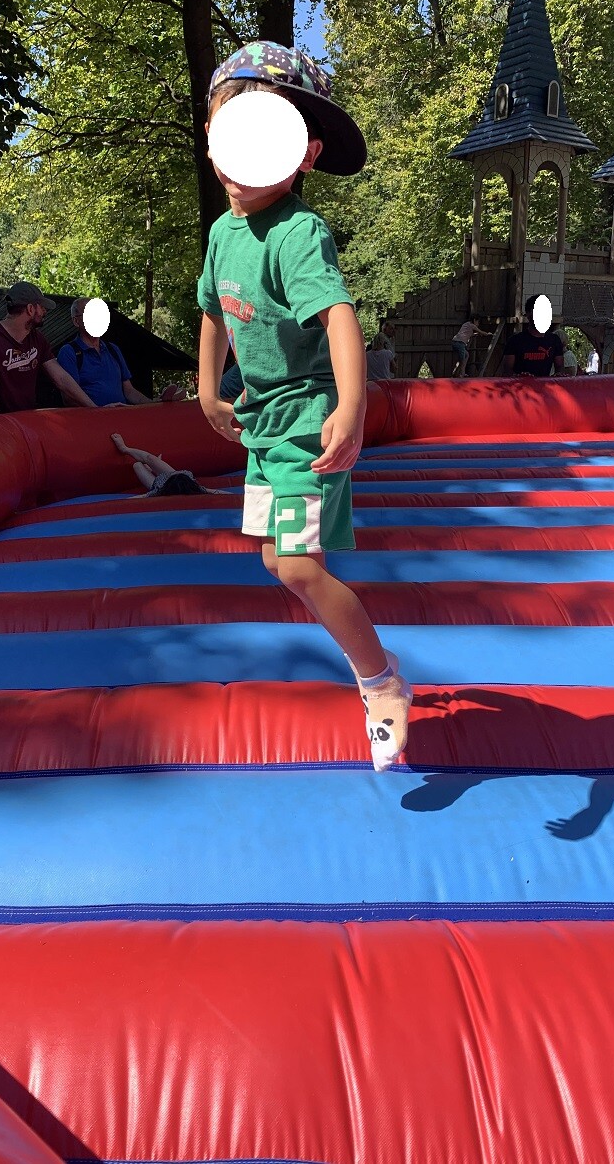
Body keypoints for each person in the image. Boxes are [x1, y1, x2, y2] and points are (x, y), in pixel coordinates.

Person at [196, 40, 412, 772]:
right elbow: (214, 313)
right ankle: (377, 672)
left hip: (302, 424)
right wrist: (208, 387)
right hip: (262, 423)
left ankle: (381, 683)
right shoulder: (222, 233)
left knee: (294, 566)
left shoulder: (297, 232)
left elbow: (337, 314)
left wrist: (352, 405)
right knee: (275, 557)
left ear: (304, 154)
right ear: (213, 137)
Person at [0, 282, 98, 414]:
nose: (45, 311)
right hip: (0, 420)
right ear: (30, 309)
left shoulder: (38, 339)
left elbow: (61, 378)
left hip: (27, 420)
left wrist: (95, 408)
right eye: (42, 307)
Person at [56, 297, 185, 407]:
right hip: (89, 423)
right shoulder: (69, 352)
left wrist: (154, 404)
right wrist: (99, 410)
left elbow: (129, 391)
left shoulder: (113, 349)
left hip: (121, 419)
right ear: (76, 321)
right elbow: (69, 397)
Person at [111, 433, 230, 496]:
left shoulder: (159, 491)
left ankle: (148, 469)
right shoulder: (192, 484)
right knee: (150, 458)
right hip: (175, 476)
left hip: (159, 483)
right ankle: (125, 449)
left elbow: (141, 497)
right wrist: (234, 496)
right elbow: (214, 491)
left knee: (137, 465)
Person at [502, 296, 564, 377]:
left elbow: (559, 368)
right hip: (520, 384)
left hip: (544, 384)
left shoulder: (554, 340)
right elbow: (507, 371)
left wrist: (558, 375)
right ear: (528, 314)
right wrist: (519, 377)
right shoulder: (515, 341)